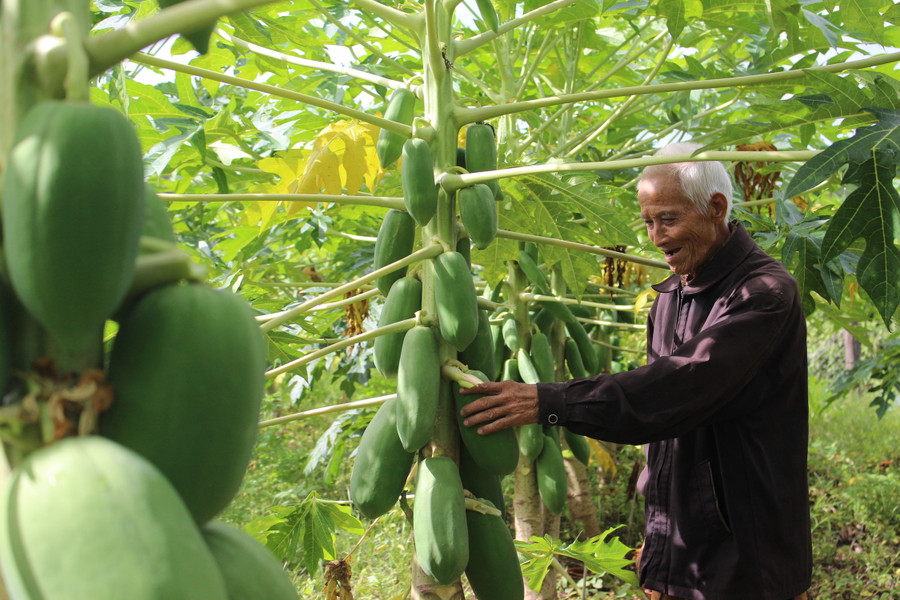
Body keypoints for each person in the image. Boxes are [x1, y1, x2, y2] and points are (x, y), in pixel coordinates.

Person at [460, 142, 812, 600]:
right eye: (647, 221)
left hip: (747, 555)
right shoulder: (670, 296)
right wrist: (661, 537)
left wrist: (550, 401)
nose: (655, 237)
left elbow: (677, 390)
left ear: (716, 208)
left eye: (667, 219)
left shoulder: (763, 294)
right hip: (683, 550)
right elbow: (664, 434)